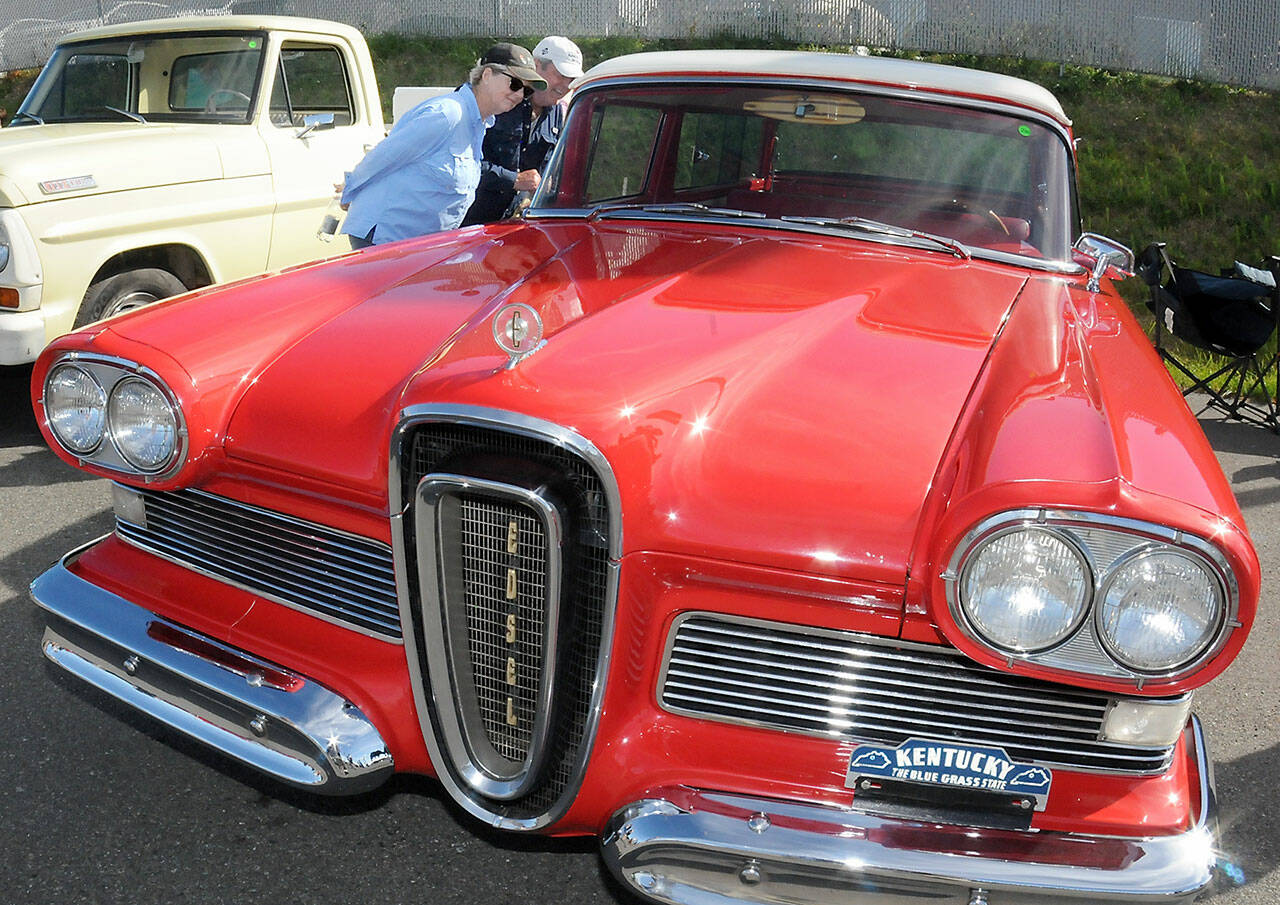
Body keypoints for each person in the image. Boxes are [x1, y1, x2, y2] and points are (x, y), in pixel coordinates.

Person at [340, 43, 547, 249]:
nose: (520, 95)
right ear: (486, 75)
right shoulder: (448, 114)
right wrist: (349, 191)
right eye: (515, 84)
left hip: (414, 245)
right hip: (384, 238)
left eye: (527, 90)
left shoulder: (479, 124)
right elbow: (384, 156)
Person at [461, 36, 583, 225]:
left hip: (510, 227)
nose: (566, 85)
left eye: (572, 79)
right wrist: (513, 179)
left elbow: (546, 171)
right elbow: (459, 165)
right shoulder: (497, 99)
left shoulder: (557, 113)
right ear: (536, 65)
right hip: (466, 223)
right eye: (560, 74)